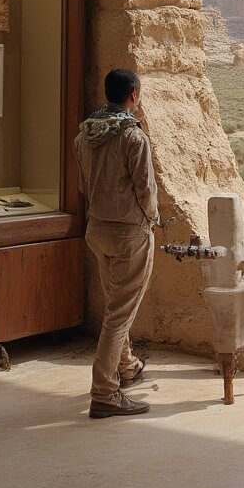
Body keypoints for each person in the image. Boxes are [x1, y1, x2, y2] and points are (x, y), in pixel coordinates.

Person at [75, 68, 159, 419]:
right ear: (134, 95)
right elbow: (146, 188)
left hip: (97, 230)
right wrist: (151, 220)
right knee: (119, 317)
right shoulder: (133, 137)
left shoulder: (84, 135)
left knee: (114, 304)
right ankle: (105, 392)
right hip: (129, 232)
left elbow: (82, 185)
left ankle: (125, 367)